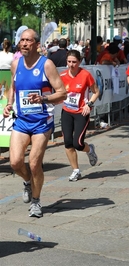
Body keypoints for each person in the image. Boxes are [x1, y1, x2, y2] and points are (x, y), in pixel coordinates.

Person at [3, 29, 67, 217]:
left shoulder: (46, 65)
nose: (23, 43)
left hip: (41, 122)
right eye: (21, 40)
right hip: (22, 121)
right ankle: (27, 182)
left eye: (28, 40)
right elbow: (12, 88)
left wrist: (43, 100)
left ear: (37, 44)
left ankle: (36, 202)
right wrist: (8, 104)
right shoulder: (15, 64)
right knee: (15, 163)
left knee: (34, 163)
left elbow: (62, 93)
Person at [59, 50, 100, 181]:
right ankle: (76, 170)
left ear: (80, 62)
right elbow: (58, 92)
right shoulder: (63, 75)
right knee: (67, 143)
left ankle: (90, 150)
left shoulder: (85, 75)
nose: (71, 65)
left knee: (77, 143)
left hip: (81, 112)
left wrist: (89, 104)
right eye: (69, 62)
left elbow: (96, 92)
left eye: (74, 62)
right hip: (67, 111)